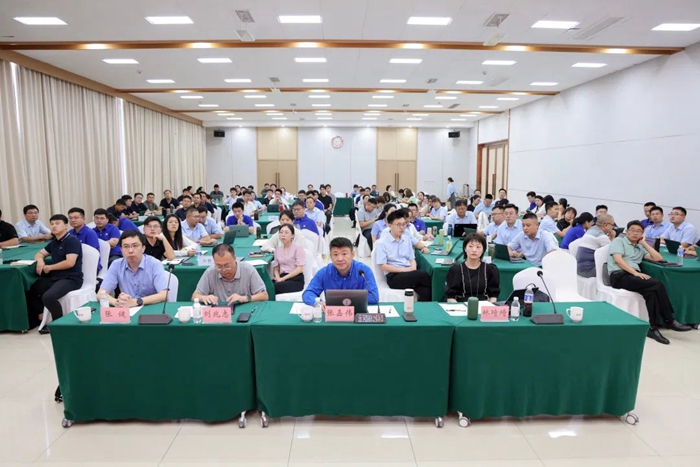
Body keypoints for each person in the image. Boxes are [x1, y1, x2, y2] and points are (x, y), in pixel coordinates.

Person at [608, 220, 692, 344]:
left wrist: (644, 243)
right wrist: (636, 273)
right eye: (632, 230)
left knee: (651, 293)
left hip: (632, 277)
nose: (635, 233)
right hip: (619, 276)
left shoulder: (639, 247)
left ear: (642, 234)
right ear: (627, 231)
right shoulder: (619, 241)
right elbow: (618, 260)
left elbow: (658, 258)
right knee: (657, 284)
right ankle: (669, 320)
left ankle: (652, 328)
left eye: (639, 231)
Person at [26, 214, 84, 333]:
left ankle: (58, 324)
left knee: (48, 297)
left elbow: (70, 263)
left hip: (71, 278)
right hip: (56, 277)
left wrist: (50, 267)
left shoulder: (72, 240)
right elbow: (39, 254)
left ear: (66, 225)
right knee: (32, 289)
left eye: (57, 223)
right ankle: (40, 317)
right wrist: (40, 261)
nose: (54, 226)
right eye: (52, 224)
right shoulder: (54, 242)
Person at [98, 230, 169, 308]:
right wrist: (116, 302)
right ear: (121, 249)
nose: (130, 251)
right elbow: (101, 293)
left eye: (135, 246)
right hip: (128, 309)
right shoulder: (116, 265)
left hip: (151, 308)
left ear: (143, 248)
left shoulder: (154, 264)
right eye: (126, 246)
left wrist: (136, 302)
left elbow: (164, 295)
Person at [302, 237, 379, 306]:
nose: (340, 259)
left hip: (357, 312)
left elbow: (374, 297)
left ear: (352, 254)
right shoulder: (324, 273)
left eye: (344, 254)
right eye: (335, 254)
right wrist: (319, 302)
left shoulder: (364, 271)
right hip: (333, 314)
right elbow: (308, 294)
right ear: (330, 256)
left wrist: (344, 300)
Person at [375, 211, 432, 301]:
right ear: (389, 225)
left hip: (408, 273)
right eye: (398, 225)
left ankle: (423, 309)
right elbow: (383, 266)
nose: (402, 227)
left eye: (404, 224)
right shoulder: (382, 242)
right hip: (394, 277)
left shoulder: (406, 239)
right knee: (423, 274)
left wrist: (413, 267)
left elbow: (411, 259)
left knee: (425, 290)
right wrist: (405, 270)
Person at [192, 243, 269, 305]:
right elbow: (195, 296)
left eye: (227, 266)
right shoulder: (210, 271)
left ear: (235, 259)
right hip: (220, 313)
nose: (223, 270)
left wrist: (244, 298)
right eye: (219, 266)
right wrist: (204, 298)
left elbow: (264, 295)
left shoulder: (248, 269)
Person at [445, 233, 500, 303]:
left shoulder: (490, 269)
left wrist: (490, 306)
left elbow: (493, 296)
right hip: (461, 305)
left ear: (483, 250)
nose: (474, 250)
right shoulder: (456, 270)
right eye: (470, 246)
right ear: (465, 248)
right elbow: (450, 297)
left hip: (483, 305)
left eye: (478, 247)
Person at [576, 214, 616, 278]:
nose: (613, 227)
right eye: (612, 225)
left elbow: (606, 248)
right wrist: (613, 237)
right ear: (606, 225)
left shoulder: (591, 230)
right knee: (618, 270)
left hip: (580, 268)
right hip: (588, 271)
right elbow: (613, 252)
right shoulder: (599, 235)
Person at [271, 224, 306, 295]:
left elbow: (300, 269)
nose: (283, 235)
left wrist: (283, 279)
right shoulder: (277, 250)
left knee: (272, 287)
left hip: (295, 279)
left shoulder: (298, 248)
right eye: (281, 232)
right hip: (282, 278)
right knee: (264, 285)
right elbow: (276, 269)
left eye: (286, 233)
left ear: (292, 235)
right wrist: (278, 278)